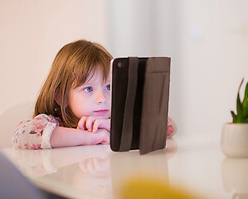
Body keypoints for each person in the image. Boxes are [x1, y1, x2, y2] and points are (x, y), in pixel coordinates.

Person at [12, 39, 176, 150]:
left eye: (109, 87)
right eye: (88, 89)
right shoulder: (55, 123)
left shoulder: (118, 120)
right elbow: (22, 134)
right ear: (61, 97)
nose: (102, 99)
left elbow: (169, 126)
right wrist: (89, 138)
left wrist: (117, 130)